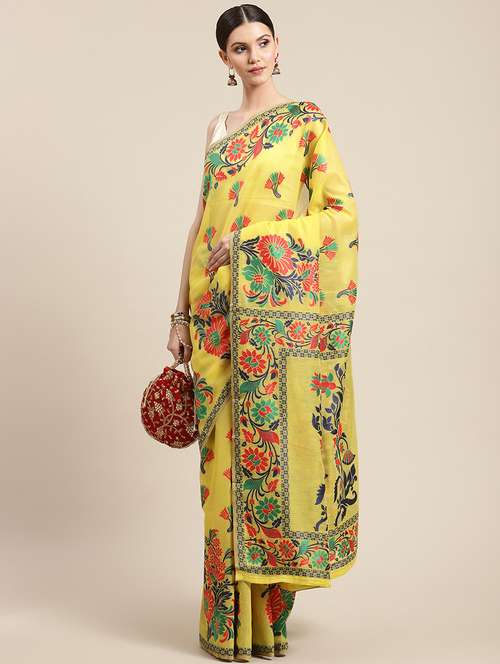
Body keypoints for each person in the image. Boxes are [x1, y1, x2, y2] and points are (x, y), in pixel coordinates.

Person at [169, 5, 360, 661]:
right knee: (221, 471)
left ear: (278, 47)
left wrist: (254, 241)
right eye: (239, 47)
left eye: (263, 42)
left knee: (272, 467)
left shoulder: (305, 122)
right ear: (223, 59)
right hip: (215, 316)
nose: (253, 56)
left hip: (272, 321)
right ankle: (228, 625)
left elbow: (339, 216)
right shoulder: (218, 129)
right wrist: (178, 315)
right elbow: (199, 224)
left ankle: (267, 623)